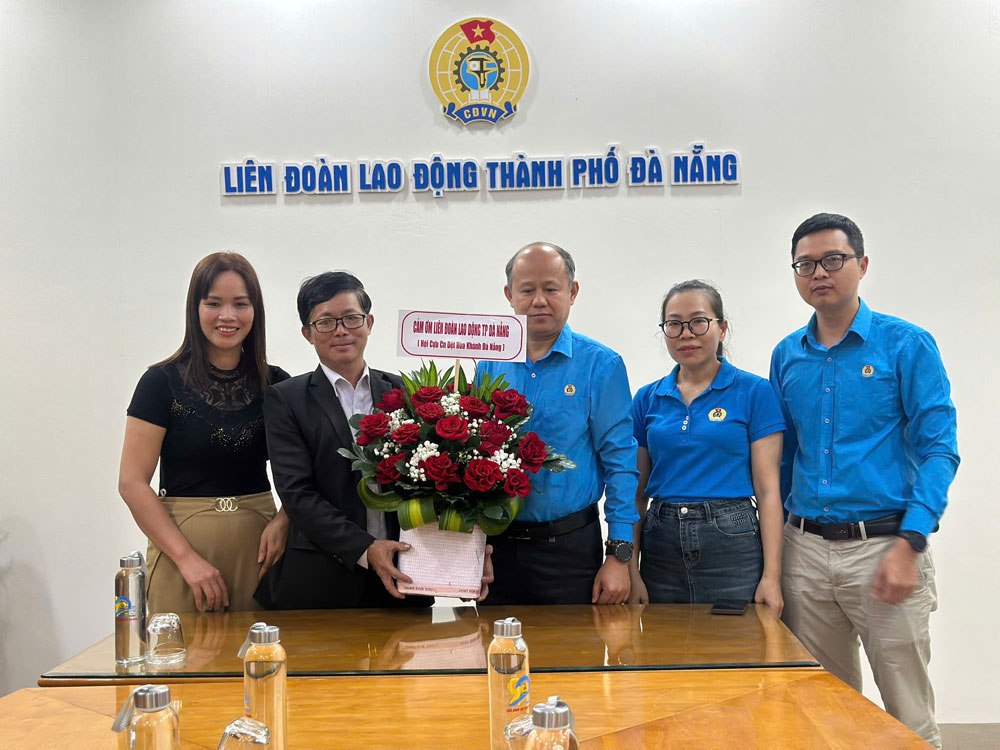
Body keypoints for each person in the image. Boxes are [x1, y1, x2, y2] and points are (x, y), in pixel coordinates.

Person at [769, 213, 959, 748]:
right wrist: (777, 553)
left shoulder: (906, 345)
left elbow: (939, 449)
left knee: (908, 717)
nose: (819, 273)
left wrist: (910, 541)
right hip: (805, 553)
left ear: (862, 264)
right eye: (805, 264)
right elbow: (785, 458)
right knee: (824, 715)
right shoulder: (787, 355)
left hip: (885, 547)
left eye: (833, 260)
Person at [256, 271, 491, 609]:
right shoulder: (286, 399)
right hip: (321, 580)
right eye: (326, 322)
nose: (341, 330)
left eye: (351, 318)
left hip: (405, 575)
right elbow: (297, 493)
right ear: (308, 333)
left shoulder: (405, 392)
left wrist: (465, 552)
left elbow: (438, 483)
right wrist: (365, 549)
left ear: (369, 323)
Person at [119, 252, 290, 613]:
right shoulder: (159, 382)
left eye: (240, 304)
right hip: (181, 553)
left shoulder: (277, 385)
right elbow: (132, 483)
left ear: (255, 311)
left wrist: (286, 518)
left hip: (260, 552)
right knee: (181, 650)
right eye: (214, 303)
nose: (227, 316)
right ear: (195, 309)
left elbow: (304, 474)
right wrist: (187, 560)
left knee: (263, 650)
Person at [478, 242, 639, 605]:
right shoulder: (489, 362)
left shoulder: (600, 364)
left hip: (570, 552)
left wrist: (619, 555)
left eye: (551, 289)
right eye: (527, 290)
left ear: (572, 292)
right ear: (509, 295)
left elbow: (620, 463)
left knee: (573, 644)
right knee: (493, 642)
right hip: (496, 550)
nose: (539, 301)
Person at [628, 281, 784, 612]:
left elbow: (769, 491)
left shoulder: (755, 392)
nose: (686, 334)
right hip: (660, 545)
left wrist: (772, 576)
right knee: (662, 642)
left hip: (732, 543)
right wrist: (630, 569)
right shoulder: (646, 398)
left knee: (734, 641)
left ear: (722, 328)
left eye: (698, 322)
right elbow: (635, 495)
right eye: (674, 324)